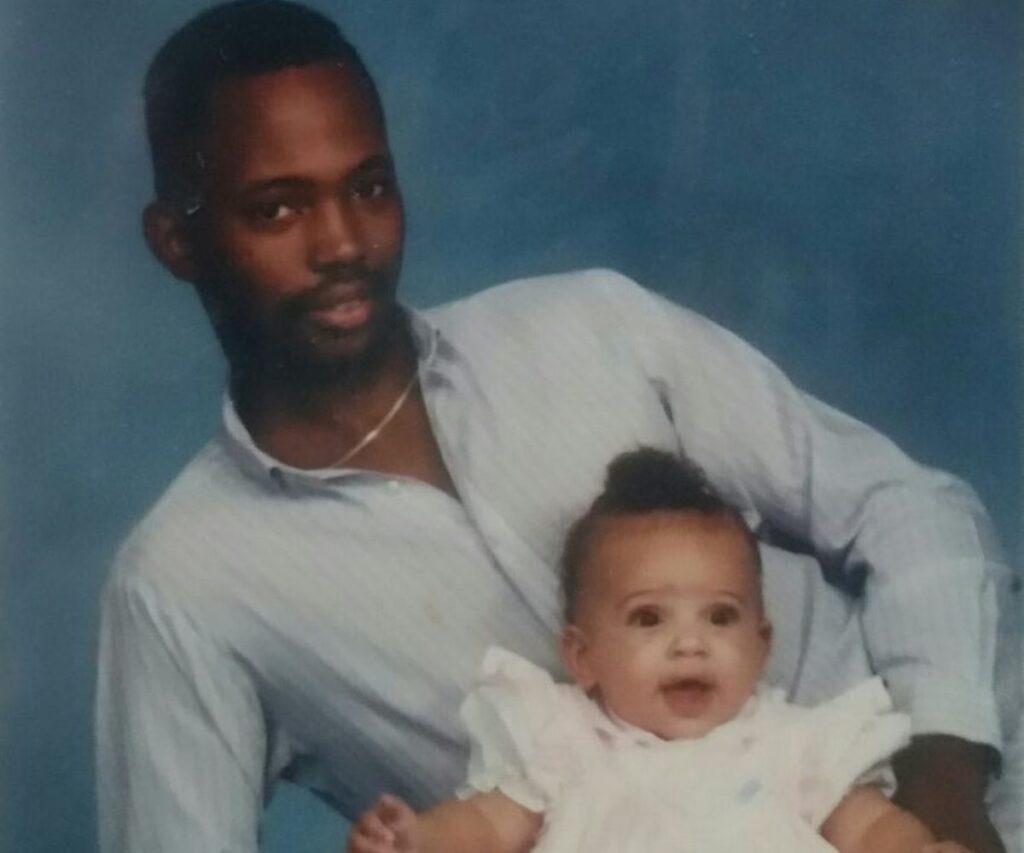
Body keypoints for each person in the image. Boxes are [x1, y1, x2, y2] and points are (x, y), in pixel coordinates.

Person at [95, 2, 1020, 852]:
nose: (342, 243)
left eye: (369, 187)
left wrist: (947, 777)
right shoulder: (183, 585)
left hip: (970, 773)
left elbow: (909, 505)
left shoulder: (589, 324)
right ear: (176, 241)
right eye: (278, 208)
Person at [347, 447, 968, 853]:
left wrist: (918, 849)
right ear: (581, 655)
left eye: (721, 617)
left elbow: (868, 827)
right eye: (649, 619)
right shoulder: (562, 742)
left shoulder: (794, 743)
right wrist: (420, 840)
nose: (690, 644)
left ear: (762, 644)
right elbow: (486, 827)